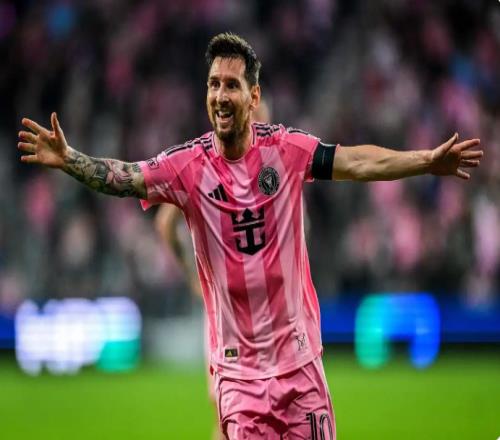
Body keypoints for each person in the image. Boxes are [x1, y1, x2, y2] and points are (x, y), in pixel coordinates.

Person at [18, 32, 482, 440]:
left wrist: (426, 161)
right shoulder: (187, 167)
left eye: (231, 85)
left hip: (300, 369)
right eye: (213, 84)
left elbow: (357, 162)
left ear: (253, 96)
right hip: (239, 380)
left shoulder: (287, 150)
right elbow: (125, 177)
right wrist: (71, 159)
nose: (220, 96)